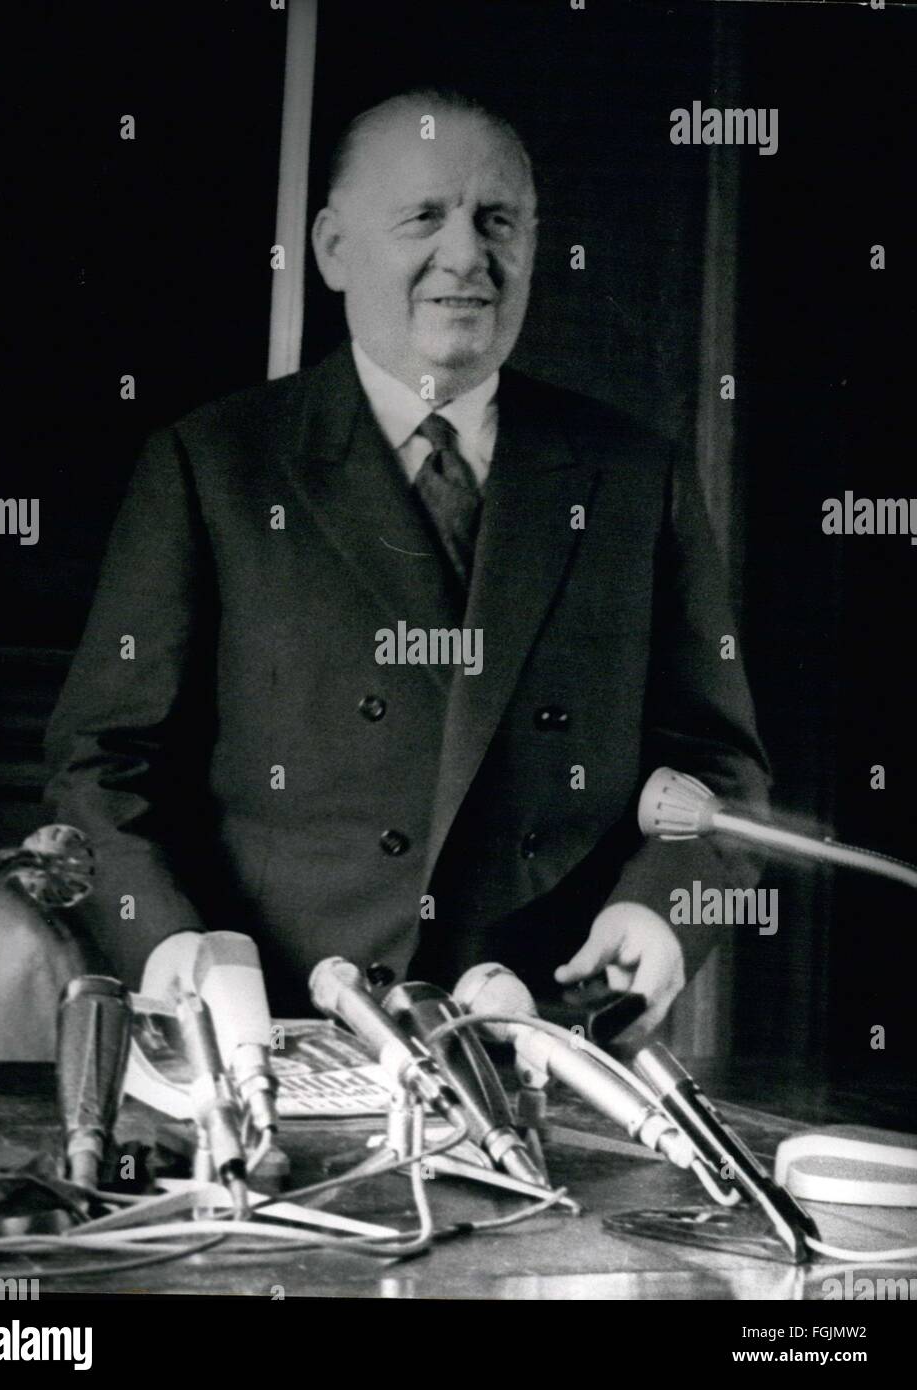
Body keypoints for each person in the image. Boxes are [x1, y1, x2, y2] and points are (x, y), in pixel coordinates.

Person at [45, 89, 769, 1042]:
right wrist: (176, 954)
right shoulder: (213, 465)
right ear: (336, 249)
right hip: (280, 1042)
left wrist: (661, 914)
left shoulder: (637, 476)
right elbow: (101, 767)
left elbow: (716, 772)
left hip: (548, 1043)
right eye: (425, 216)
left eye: (497, 220)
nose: (467, 255)